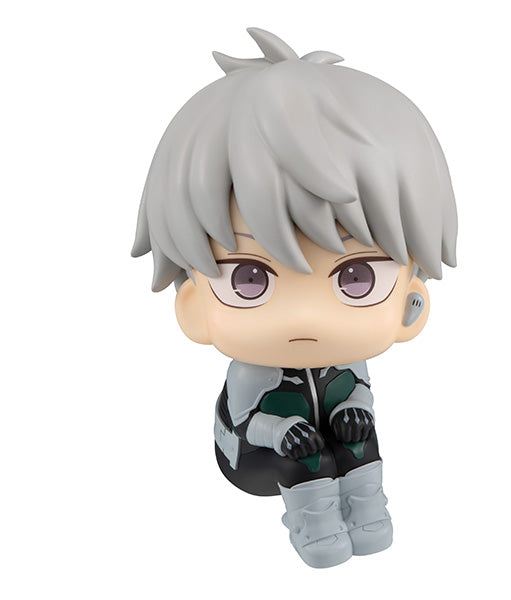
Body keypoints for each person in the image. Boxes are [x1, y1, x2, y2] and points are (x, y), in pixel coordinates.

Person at [132, 27, 457, 568]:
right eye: (249, 279)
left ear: (410, 303)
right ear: (194, 307)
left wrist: (353, 414)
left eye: (356, 277)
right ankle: (317, 533)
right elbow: (245, 422)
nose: (305, 315)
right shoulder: (252, 374)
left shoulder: (349, 359)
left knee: (360, 440)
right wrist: (283, 432)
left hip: (320, 440)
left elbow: (357, 394)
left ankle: (368, 515)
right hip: (253, 457)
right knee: (306, 457)